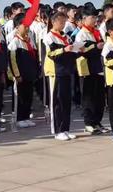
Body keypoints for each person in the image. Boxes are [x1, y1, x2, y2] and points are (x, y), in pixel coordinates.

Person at [44, 11, 78, 141]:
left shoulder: (65, 36)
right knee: (57, 102)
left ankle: (66, 128)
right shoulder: (49, 37)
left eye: (64, 22)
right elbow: (51, 54)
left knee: (66, 101)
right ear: (54, 22)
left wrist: (76, 49)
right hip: (55, 72)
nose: (63, 25)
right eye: (61, 22)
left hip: (67, 71)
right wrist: (64, 49)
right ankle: (58, 130)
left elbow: (70, 50)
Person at [75, 9, 109, 134]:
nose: (94, 20)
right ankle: (88, 123)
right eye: (91, 18)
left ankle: (97, 121)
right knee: (88, 97)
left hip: (98, 67)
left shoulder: (97, 32)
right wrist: (95, 46)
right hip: (87, 68)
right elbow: (81, 50)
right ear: (84, 20)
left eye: (95, 17)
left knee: (99, 97)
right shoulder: (81, 34)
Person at [8, 13, 38, 128]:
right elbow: (12, 60)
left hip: (29, 74)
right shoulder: (15, 42)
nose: (27, 28)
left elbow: (35, 56)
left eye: (28, 25)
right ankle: (19, 118)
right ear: (17, 27)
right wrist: (17, 74)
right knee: (20, 96)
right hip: (21, 75)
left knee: (28, 96)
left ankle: (26, 116)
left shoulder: (29, 40)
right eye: (24, 25)